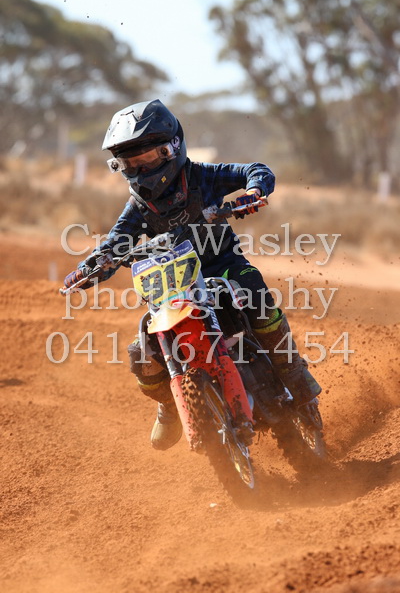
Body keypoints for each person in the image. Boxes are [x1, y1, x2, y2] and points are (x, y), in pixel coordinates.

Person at [64, 99, 321, 451]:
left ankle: (292, 370)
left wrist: (254, 191)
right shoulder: (138, 206)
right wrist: (91, 267)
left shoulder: (203, 177)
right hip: (171, 284)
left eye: (147, 158)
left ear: (171, 147)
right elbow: (115, 242)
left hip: (223, 267)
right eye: (130, 163)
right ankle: (172, 404)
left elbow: (255, 170)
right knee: (142, 353)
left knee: (254, 291)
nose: (140, 168)